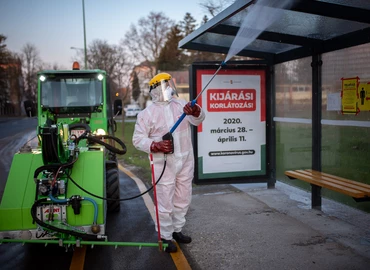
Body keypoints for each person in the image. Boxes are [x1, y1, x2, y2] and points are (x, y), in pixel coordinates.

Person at [132, 72, 205, 253]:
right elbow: (137, 139)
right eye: (166, 84)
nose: (170, 87)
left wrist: (196, 111)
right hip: (163, 164)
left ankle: (177, 230)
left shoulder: (182, 106)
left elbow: (199, 119)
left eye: (170, 83)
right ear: (156, 89)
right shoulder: (146, 114)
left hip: (185, 160)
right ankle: (165, 236)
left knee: (182, 198)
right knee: (165, 202)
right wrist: (155, 145)